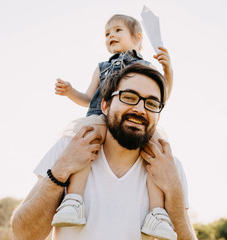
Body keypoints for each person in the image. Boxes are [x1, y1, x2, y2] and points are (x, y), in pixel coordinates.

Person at [11, 64, 198, 240]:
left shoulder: (169, 166)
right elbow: (24, 234)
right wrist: (61, 170)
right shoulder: (70, 148)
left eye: (151, 103)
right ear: (105, 106)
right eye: (129, 97)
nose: (140, 109)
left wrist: (174, 190)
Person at [51, 14, 175, 239]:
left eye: (117, 30)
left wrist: (168, 72)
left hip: (135, 122)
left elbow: (162, 96)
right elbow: (89, 98)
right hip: (100, 115)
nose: (111, 36)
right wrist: (70, 93)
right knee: (86, 142)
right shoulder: (101, 68)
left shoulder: (145, 66)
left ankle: (157, 213)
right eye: (107, 34)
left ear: (138, 37)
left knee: (153, 152)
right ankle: (74, 200)